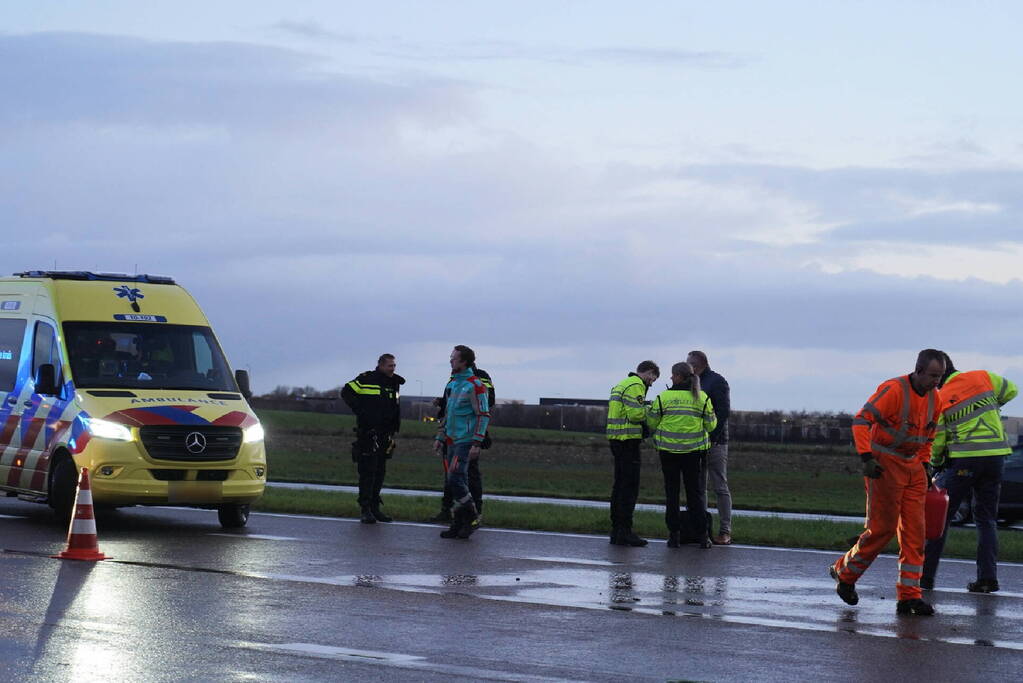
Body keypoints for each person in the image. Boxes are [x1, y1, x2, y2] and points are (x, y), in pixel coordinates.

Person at [830, 349, 945, 616]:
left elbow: (928, 436)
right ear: (917, 371)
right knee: (882, 530)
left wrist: (925, 465)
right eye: (932, 376)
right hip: (885, 465)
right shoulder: (893, 390)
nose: (936, 382)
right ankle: (844, 574)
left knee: (915, 534)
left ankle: (909, 597)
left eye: (939, 377)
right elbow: (860, 421)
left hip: (913, 467)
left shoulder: (935, 398)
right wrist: (867, 457)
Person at [922, 354, 1018, 593]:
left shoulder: (940, 397)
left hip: (965, 459)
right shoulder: (983, 377)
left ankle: (925, 579)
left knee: (940, 520)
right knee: (987, 519)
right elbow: (1012, 390)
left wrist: (934, 464)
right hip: (996, 457)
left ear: (939, 375)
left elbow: (939, 438)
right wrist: (992, 407)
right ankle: (987, 579)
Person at [647, 362, 717, 548]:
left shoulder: (664, 397)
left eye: (672, 375)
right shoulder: (702, 397)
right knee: (695, 495)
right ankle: (703, 536)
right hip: (694, 454)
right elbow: (711, 425)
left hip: (668, 453)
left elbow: (652, 423)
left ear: (678, 376)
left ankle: (674, 535)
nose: (670, 378)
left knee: (672, 494)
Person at [434, 345, 491, 539]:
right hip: (451, 439)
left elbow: (483, 414)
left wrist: (477, 442)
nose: (450, 361)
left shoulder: (475, 385)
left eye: (454, 358)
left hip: (465, 441)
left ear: (464, 361)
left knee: (455, 478)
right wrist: (440, 437)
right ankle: (459, 523)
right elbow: (448, 413)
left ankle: (472, 516)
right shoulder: (452, 384)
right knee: (457, 482)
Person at [341, 354, 405, 524]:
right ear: (381, 365)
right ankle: (365, 509)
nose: (393, 369)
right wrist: (361, 412)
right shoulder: (366, 379)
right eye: (390, 365)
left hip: (386, 434)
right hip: (368, 433)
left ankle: (375, 507)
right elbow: (346, 392)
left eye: (394, 365)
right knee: (368, 472)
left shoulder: (393, 383)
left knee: (380, 472)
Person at [606, 360, 660, 547]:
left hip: (616, 439)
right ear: (649, 373)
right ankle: (625, 532)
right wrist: (650, 408)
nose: (651, 384)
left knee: (619, 486)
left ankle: (617, 531)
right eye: (653, 379)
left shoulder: (621, 384)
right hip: (628, 440)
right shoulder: (636, 385)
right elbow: (635, 415)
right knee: (630, 488)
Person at [687, 350, 732, 545]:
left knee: (719, 486)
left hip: (715, 442)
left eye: (689, 364)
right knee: (699, 487)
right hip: (696, 441)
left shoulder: (717, 381)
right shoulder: (692, 383)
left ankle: (725, 530)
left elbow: (723, 412)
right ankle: (702, 529)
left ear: (697, 365)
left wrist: (713, 437)